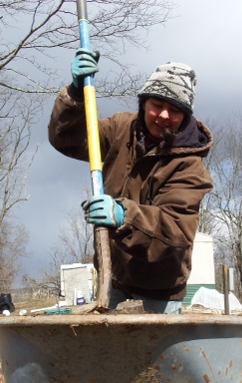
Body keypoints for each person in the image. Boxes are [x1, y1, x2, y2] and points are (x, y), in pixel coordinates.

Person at [48, 49, 213, 314]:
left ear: (185, 117)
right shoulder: (120, 129)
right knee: (113, 353)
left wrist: (124, 216)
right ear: (144, 102)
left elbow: (176, 231)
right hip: (113, 277)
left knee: (155, 356)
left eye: (175, 110)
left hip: (159, 289)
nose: (163, 116)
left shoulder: (190, 166)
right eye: (157, 105)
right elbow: (68, 139)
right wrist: (76, 94)